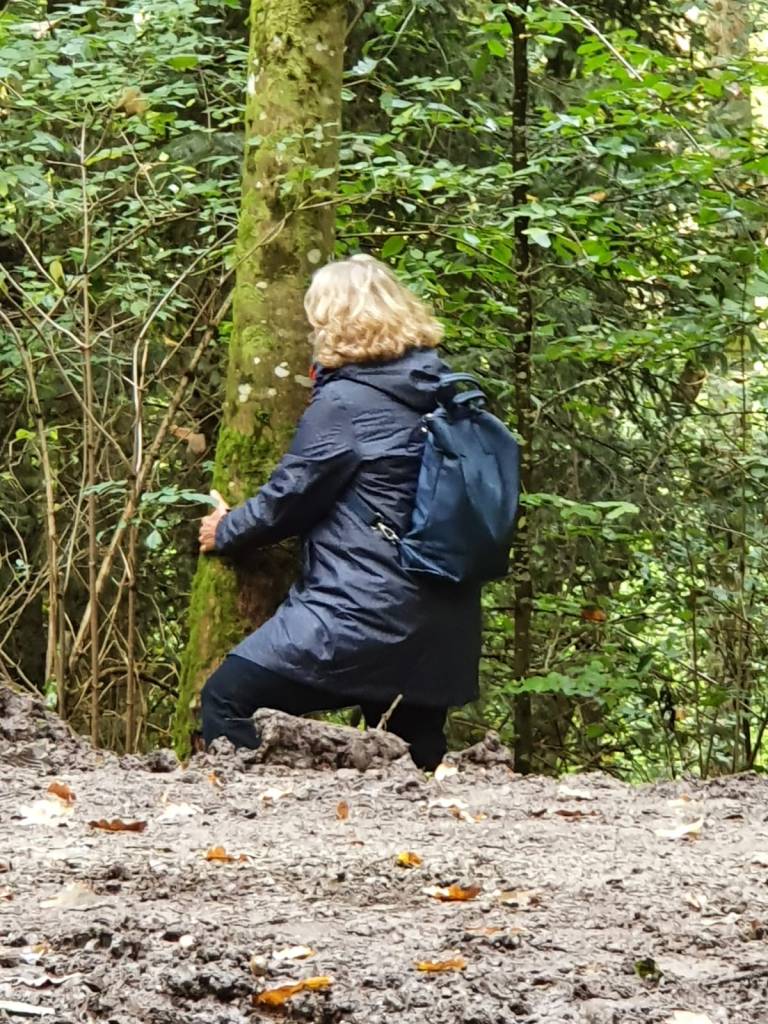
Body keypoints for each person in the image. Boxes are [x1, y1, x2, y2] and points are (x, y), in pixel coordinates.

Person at [197, 254, 481, 770]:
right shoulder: (445, 391)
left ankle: (249, 832)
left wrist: (227, 528)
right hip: (442, 623)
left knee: (227, 701)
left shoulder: (346, 403)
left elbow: (290, 496)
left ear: (332, 320)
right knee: (413, 764)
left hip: (359, 615)